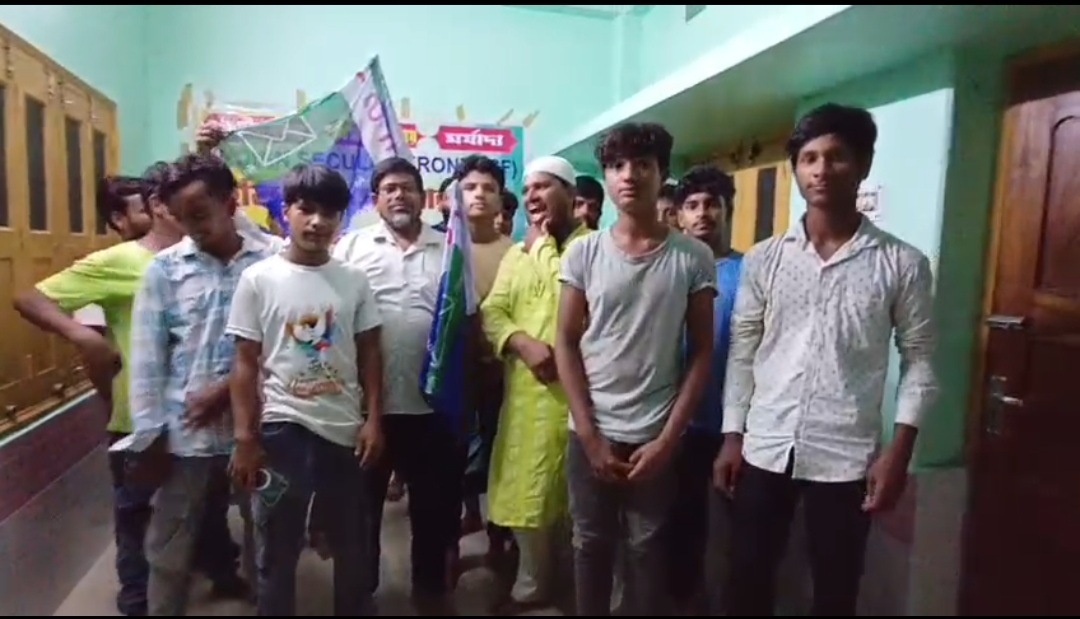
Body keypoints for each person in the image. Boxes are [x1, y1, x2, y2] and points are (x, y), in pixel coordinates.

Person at [715, 103, 938, 616]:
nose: (820, 169)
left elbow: (920, 360)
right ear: (795, 168)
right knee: (746, 580)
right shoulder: (765, 258)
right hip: (765, 446)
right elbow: (744, 352)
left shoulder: (901, 263)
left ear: (863, 164)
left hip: (845, 456)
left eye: (836, 156)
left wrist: (898, 452)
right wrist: (732, 436)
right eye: (809, 158)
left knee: (836, 589)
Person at [12, 171, 247, 616]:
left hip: (205, 419)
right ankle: (138, 600)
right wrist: (84, 337)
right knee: (139, 515)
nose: (182, 216)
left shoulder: (219, 256)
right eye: (169, 206)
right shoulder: (124, 261)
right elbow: (31, 299)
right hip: (137, 417)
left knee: (208, 506)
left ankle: (221, 572)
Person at [555, 122, 717, 616]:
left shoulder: (693, 257)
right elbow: (565, 341)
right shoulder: (584, 252)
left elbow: (702, 351)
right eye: (616, 166)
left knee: (647, 549)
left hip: (655, 435)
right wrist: (589, 435)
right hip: (592, 431)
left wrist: (668, 440)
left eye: (642, 165)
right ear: (606, 176)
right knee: (590, 544)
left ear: (662, 173)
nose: (628, 175)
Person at [227, 163, 385, 616]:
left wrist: (374, 420)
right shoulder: (258, 279)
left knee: (351, 545)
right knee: (276, 544)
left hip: (345, 433)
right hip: (281, 434)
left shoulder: (353, 280)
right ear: (287, 211)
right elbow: (244, 362)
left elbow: (371, 352)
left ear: (340, 219)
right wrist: (245, 437)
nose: (317, 222)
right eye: (306, 209)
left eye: (329, 213)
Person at [126, 153, 279, 616]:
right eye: (181, 217)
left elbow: (287, 347)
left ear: (230, 204)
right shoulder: (165, 270)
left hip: (263, 430)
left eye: (200, 214)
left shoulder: (274, 261)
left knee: (268, 537)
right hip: (187, 433)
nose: (191, 227)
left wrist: (226, 388)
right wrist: (150, 435)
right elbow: (147, 359)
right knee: (169, 546)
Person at [332, 157, 461, 614]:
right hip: (369, 409)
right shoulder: (352, 247)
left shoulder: (448, 248)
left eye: (407, 187)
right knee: (361, 510)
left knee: (432, 510)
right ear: (375, 199)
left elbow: (464, 317)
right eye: (389, 189)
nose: (399, 195)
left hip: (431, 407)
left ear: (423, 197)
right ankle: (359, 591)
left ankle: (429, 592)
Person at [482, 155, 588, 613]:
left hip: (579, 399)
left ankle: (576, 586)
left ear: (571, 195)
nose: (532, 197)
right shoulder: (517, 254)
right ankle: (532, 582)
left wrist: (542, 247)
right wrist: (519, 341)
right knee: (526, 494)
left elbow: (571, 297)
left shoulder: (593, 248)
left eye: (543, 187)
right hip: (527, 397)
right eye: (527, 190)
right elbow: (493, 310)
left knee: (575, 502)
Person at [667, 165, 742, 614]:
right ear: (678, 215)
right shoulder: (669, 270)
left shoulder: (749, 271)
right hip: (676, 424)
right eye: (692, 205)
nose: (702, 213)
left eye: (712, 204)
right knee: (681, 524)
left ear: (728, 210)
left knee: (735, 534)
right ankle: (683, 601)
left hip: (733, 424)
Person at [453, 155, 515, 568]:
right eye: (470, 187)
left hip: (501, 376)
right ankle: (453, 542)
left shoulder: (516, 254)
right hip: (452, 378)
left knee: (500, 458)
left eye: (488, 188)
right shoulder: (441, 250)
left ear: (499, 198)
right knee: (452, 461)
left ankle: (499, 539)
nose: (479, 195)